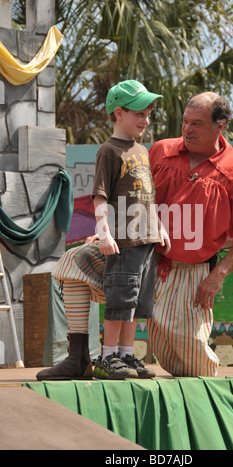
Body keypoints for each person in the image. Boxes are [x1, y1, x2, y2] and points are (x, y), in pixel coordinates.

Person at [36, 79, 170, 381]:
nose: (145, 120)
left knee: (136, 302)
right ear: (119, 113)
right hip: (124, 241)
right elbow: (101, 195)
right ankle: (107, 356)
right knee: (120, 299)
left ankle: (125, 353)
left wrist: (158, 226)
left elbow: (147, 196)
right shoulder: (109, 151)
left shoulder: (143, 151)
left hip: (146, 240)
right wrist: (105, 232)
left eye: (148, 114)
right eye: (139, 113)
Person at [145, 92, 233, 377]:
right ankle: (78, 356)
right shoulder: (160, 151)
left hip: (193, 274)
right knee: (74, 265)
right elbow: (133, 199)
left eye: (197, 123)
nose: (187, 129)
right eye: (185, 122)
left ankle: (210, 409)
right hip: (144, 263)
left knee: (191, 357)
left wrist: (218, 275)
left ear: (220, 124)